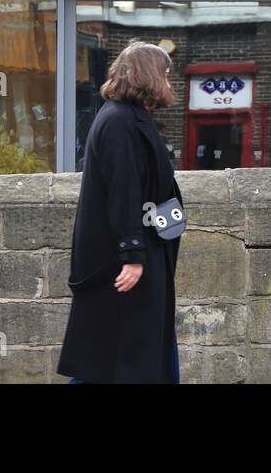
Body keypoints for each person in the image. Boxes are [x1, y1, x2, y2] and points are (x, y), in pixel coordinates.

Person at [58, 40, 184, 384]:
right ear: (148, 76)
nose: (169, 83)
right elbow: (123, 190)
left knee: (131, 351)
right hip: (125, 257)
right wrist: (132, 254)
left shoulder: (129, 117)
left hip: (143, 250)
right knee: (117, 357)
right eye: (165, 75)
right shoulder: (118, 121)